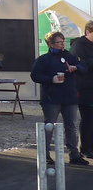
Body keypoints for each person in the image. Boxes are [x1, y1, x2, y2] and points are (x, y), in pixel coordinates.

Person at [31, 30, 88, 165]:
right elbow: (35, 75)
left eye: (63, 42)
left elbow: (83, 67)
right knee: (49, 125)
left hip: (70, 96)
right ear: (51, 44)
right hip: (51, 98)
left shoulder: (69, 56)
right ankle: (45, 155)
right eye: (59, 42)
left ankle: (74, 155)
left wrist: (76, 67)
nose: (62, 45)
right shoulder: (43, 59)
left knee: (71, 126)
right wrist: (51, 79)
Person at [70, 21, 93, 156]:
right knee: (88, 118)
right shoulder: (79, 45)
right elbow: (80, 64)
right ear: (87, 32)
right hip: (85, 88)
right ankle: (86, 148)